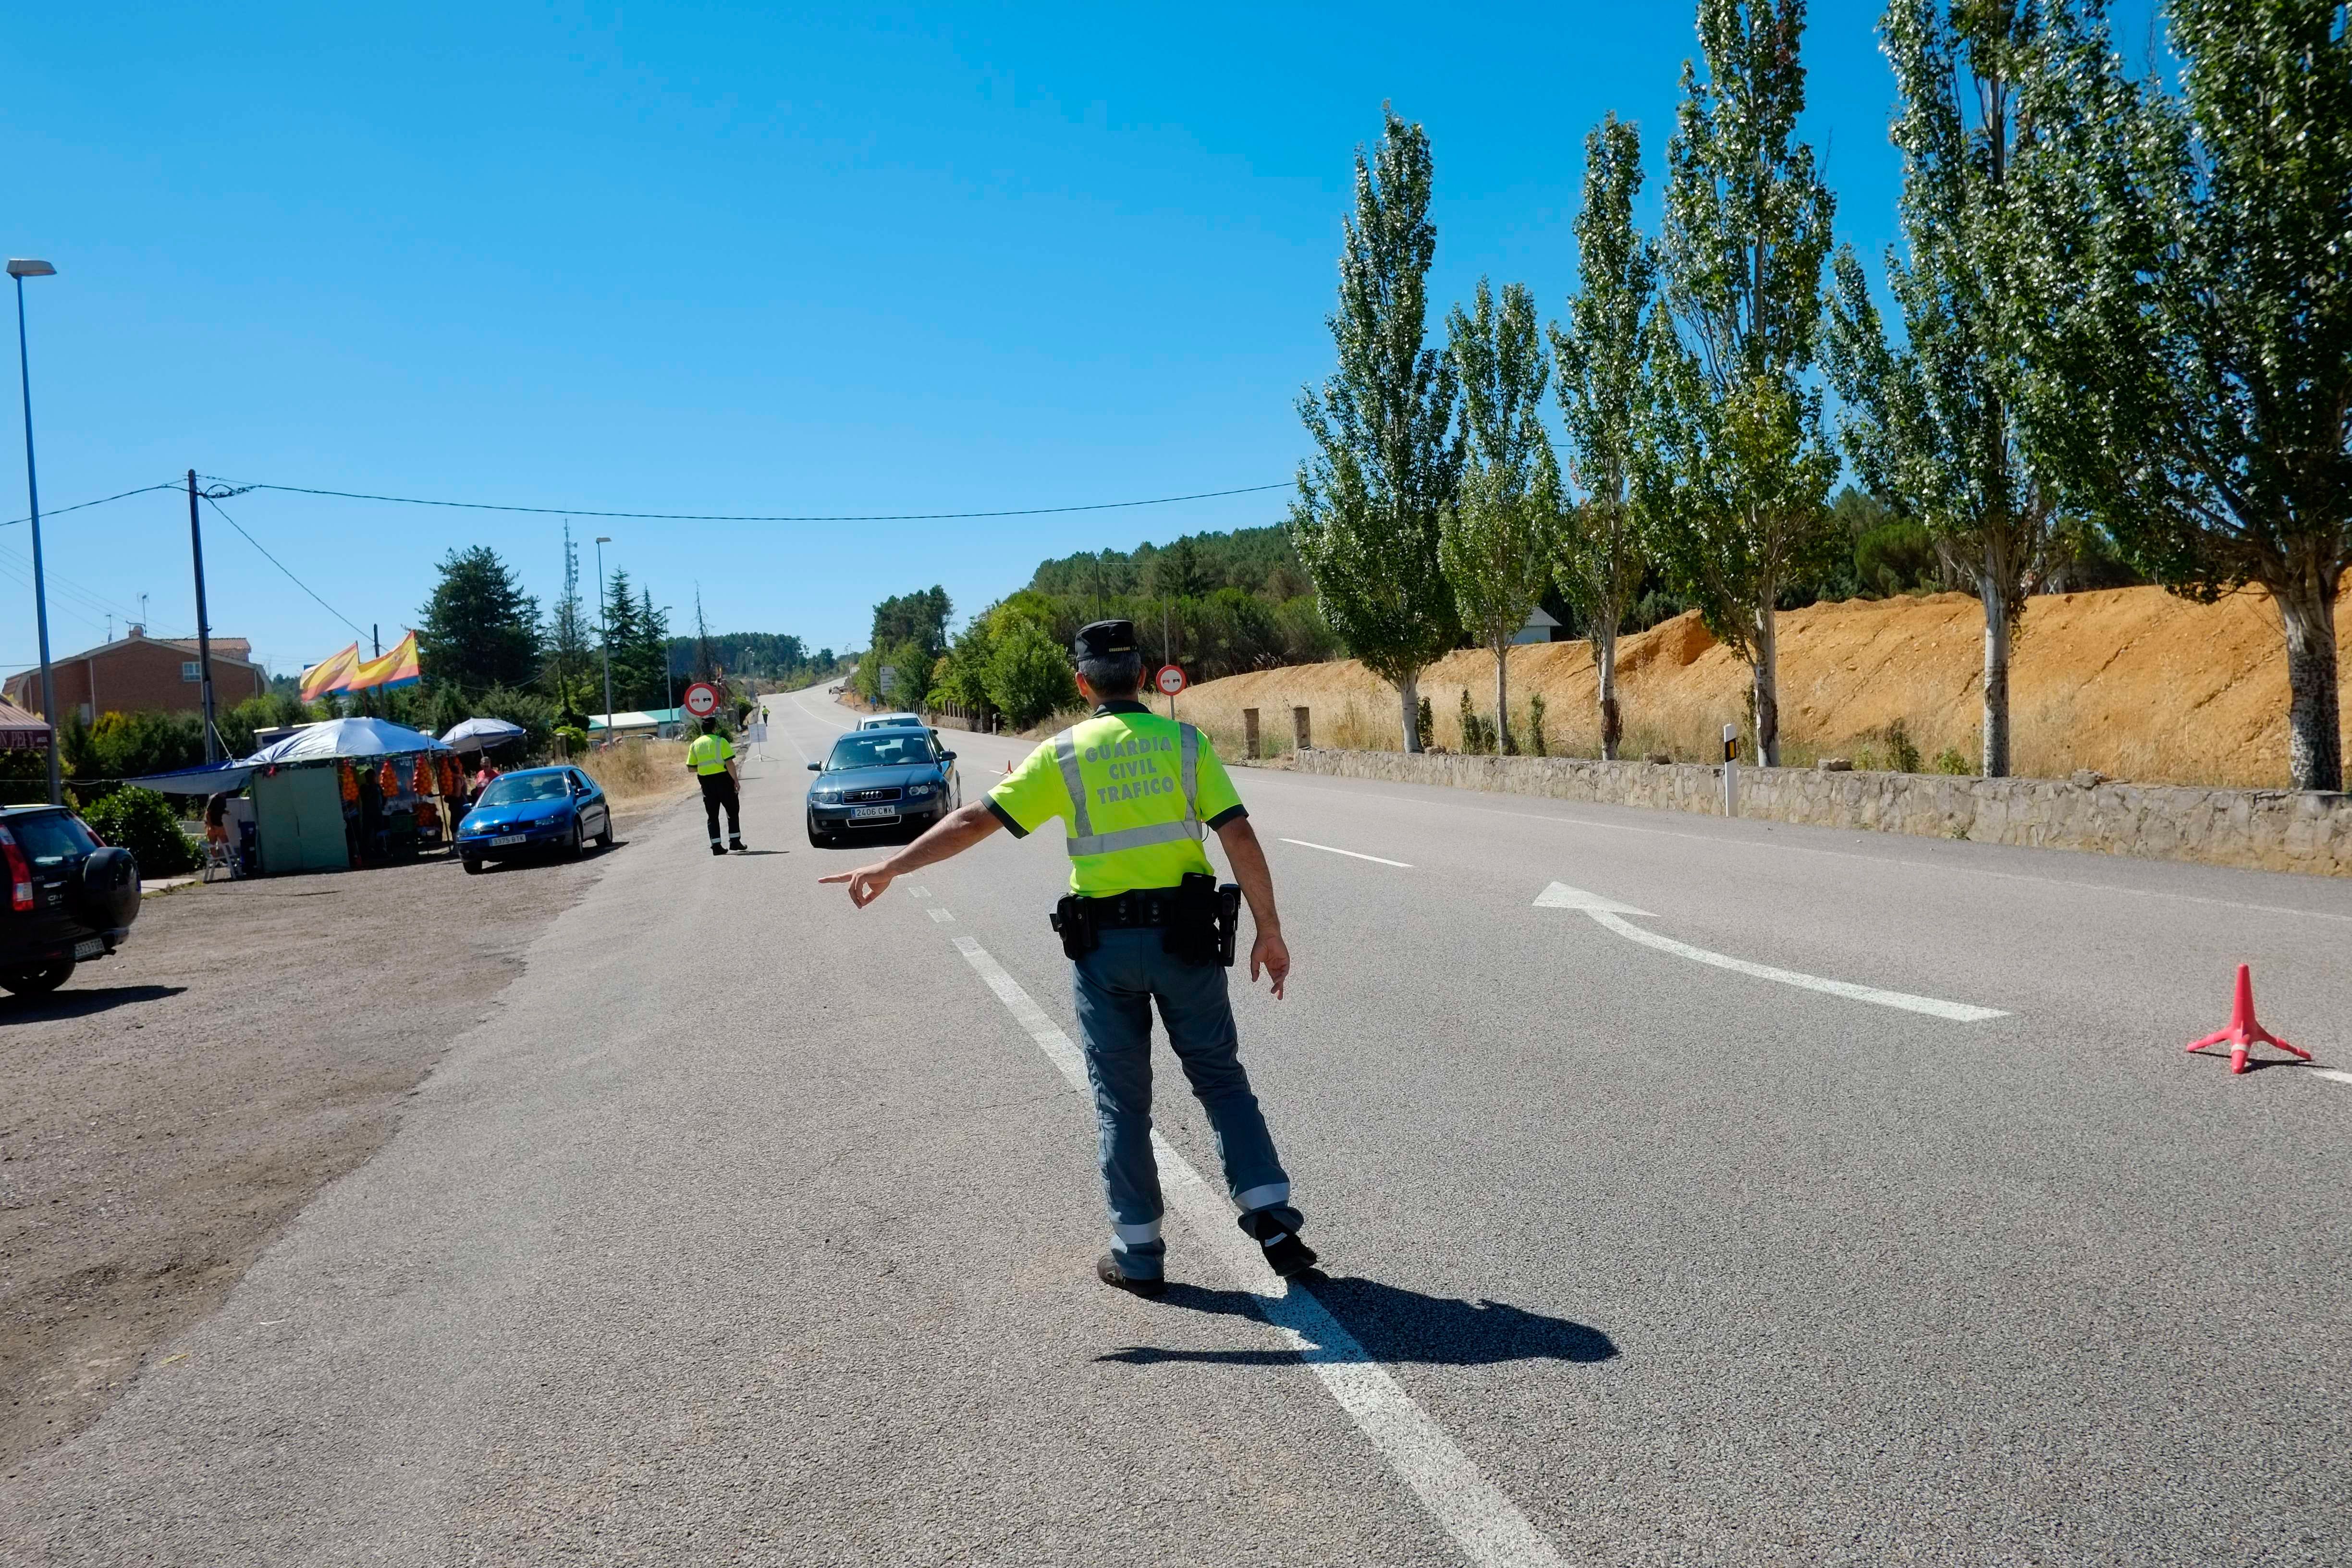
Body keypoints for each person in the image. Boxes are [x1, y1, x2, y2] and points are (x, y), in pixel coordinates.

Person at [820, 619, 1309, 1296]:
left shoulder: (1063, 754)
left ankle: (1139, 1255)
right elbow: (1240, 836)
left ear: (1082, 684)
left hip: (1103, 950)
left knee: (1122, 1103)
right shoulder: (1188, 744)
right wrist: (1270, 929)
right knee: (1221, 1081)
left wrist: (893, 866)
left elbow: (971, 823)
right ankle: (1272, 1218)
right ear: (1142, 675)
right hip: (1188, 941)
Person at [686, 716, 745, 855]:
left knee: (712, 816)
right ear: (714, 728)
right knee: (732, 811)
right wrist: (736, 781)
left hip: (707, 783)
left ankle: (716, 846)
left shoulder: (695, 745)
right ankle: (735, 842)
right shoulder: (720, 742)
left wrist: (705, 769)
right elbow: (730, 764)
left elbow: (691, 768)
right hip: (724, 781)